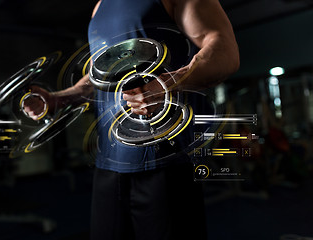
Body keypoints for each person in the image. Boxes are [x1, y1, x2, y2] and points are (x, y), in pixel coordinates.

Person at [24, 0, 239, 239]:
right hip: (109, 162)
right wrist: (58, 99)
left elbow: (224, 49)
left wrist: (168, 83)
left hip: (163, 160)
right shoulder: (100, 6)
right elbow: (101, 74)